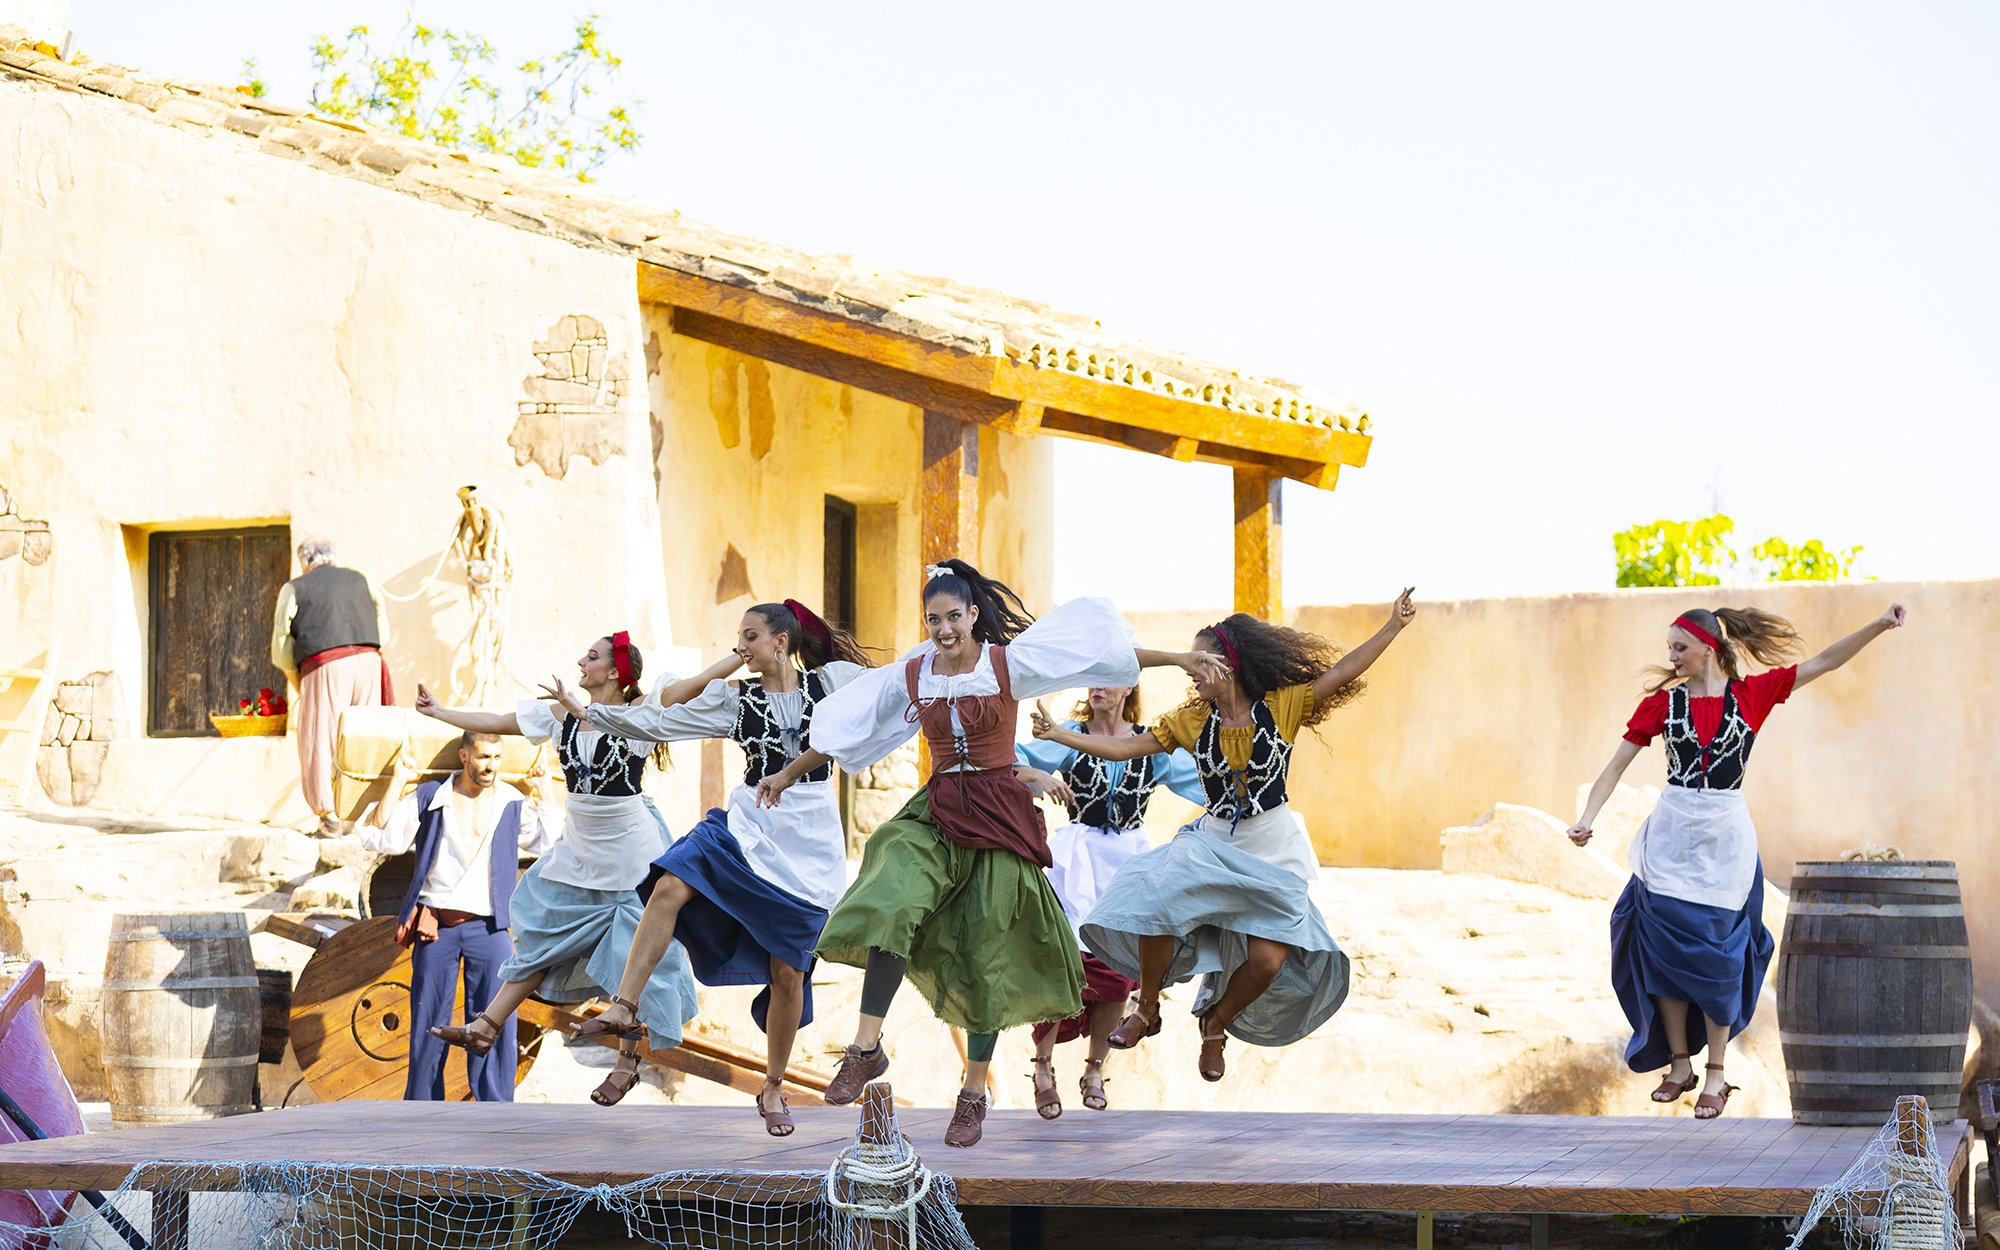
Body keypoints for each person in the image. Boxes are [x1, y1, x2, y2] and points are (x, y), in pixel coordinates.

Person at [772, 559, 1219, 1148]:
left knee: (986, 955)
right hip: (935, 814)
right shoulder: (915, 673)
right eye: (933, 620)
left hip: (998, 818)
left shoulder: (1009, 664)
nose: (943, 629)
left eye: (953, 617)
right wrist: (785, 775)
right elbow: (846, 731)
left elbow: (1106, 658)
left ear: (973, 615)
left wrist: (1181, 659)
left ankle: (974, 1092)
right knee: (888, 900)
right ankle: (864, 1048)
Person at [1033, 590, 1417, 1084]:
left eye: (1201, 661)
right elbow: (1126, 748)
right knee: (1155, 899)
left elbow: (1341, 672)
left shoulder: (1281, 708)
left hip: (1271, 845)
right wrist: (1061, 736)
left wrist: (1393, 626)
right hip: (1214, 840)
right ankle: (1146, 1008)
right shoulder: (1193, 720)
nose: (1191, 671)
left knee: (1267, 961)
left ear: (1229, 664)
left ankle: (1215, 1024)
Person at [1568, 602, 1906, 1119]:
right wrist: (1587, 817)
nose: (1672, 656)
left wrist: (1880, 625)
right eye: (1669, 649)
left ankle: (1718, 1074)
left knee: (1720, 958)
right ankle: (1680, 1064)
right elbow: (1615, 767)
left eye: (1679, 647)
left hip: (1724, 840)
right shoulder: (1662, 706)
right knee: (1663, 954)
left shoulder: (1752, 695)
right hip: (1671, 838)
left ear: (1707, 646)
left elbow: (1826, 662)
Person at [553, 599, 872, 1135]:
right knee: (671, 883)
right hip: (748, 824)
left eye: (750, 636)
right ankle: (625, 1005)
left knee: (788, 974)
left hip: (810, 840)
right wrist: (592, 713)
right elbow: (660, 721)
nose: (740, 646)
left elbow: (894, 690)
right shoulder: (734, 700)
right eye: (739, 636)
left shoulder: (834, 684)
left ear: (781, 642)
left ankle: (772, 1087)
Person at [415, 632, 700, 1106]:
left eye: (591, 656)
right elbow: (499, 721)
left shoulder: (638, 716)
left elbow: (689, 686)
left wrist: (739, 656)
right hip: (580, 849)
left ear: (614, 672)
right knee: (544, 932)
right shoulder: (560, 716)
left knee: (634, 951)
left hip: (630, 851)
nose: (579, 661)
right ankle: (487, 1026)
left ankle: (627, 1063)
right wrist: (441, 712)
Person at [1013, 685, 1202, 1117]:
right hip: (1076, 861)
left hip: (1127, 862)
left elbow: (1205, 783)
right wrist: (1038, 775)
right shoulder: (1068, 736)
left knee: (1117, 971)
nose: (1098, 687)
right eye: (1093, 678)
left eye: (1109, 678)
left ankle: (1095, 1069)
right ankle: (1042, 1066)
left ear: (1130, 686)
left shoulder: (1150, 743)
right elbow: (1007, 762)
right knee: (1062, 963)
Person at [356, 732, 556, 1100]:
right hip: (439, 926)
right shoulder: (433, 796)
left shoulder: (512, 802)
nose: (490, 765)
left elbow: (551, 841)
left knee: (496, 1022)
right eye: (482, 756)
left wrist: (544, 790)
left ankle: (494, 1109)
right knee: (428, 1023)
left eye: (496, 757)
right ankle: (422, 1111)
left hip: (491, 926)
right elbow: (380, 836)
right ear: (464, 755)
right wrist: (398, 779)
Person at [271, 539, 392, 833]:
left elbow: (282, 646)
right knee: (363, 736)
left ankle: (331, 818)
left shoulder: (295, 588)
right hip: (368, 661)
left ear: (304, 561)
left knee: (320, 740)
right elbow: (383, 631)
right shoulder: (361, 578)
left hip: (325, 665)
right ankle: (363, 816)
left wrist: (300, 684)